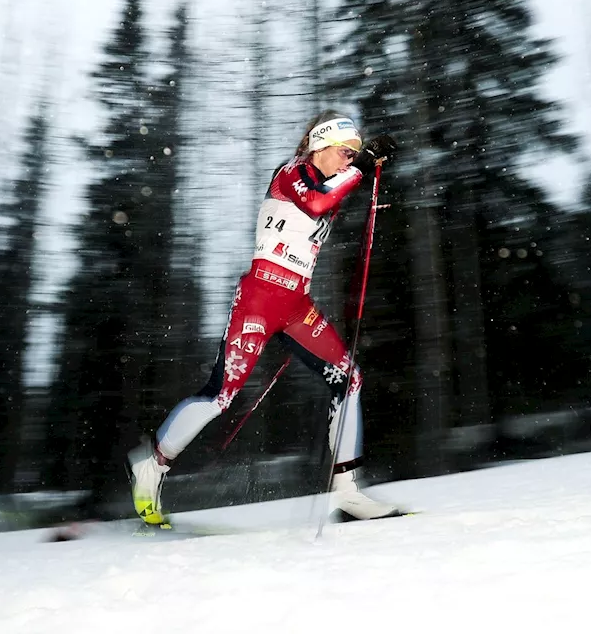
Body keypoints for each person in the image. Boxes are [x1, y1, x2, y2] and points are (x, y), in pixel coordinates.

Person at [127, 111, 400, 526]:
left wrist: (366, 163)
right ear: (320, 144)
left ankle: (347, 491)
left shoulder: (331, 177)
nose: (348, 160)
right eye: (344, 152)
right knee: (220, 396)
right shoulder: (291, 172)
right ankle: (153, 465)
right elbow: (316, 200)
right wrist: (362, 167)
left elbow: (330, 195)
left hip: (295, 306)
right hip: (259, 297)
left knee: (350, 380)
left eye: (352, 155)